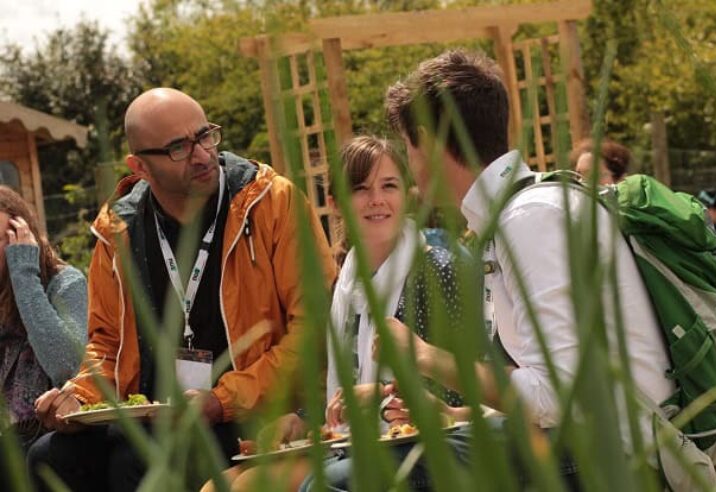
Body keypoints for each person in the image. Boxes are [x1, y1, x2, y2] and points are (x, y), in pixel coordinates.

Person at [366, 49, 673, 489]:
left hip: (620, 459)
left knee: (363, 474)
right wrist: (457, 414)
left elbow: (558, 395)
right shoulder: (522, 211)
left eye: (408, 148)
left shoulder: (529, 220)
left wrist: (426, 357)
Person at [27, 88, 335, 492]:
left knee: (137, 462)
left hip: (256, 409)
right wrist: (79, 398)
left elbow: (314, 327)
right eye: (178, 147)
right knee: (47, 457)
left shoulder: (271, 203)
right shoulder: (118, 231)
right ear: (139, 167)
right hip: (159, 416)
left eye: (205, 135)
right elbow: (107, 346)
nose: (203, 154)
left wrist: (222, 399)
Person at [209, 136, 474, 492]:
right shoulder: (344, 284)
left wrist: (379, 395)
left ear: (409, 195)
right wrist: (300, 422)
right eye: (361, 189)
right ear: (335, 203)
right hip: (352, 444)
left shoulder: (438, 271)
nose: (376, 199)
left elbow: (458, 395)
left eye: (389, 186)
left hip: (419, 452)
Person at [0, 186, 87, 488]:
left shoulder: (65, 284)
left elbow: (66, 363)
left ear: (23, 238)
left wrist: (24, 274)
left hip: (49, 430)